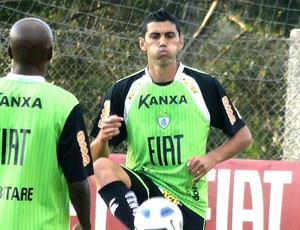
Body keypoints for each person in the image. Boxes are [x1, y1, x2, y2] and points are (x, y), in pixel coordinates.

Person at [90, 8, 252, 230]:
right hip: (145, 186)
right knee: (102, 166)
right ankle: (142, 226)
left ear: (180, 42)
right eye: (155, 36)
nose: (162, 42)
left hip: (187, 199)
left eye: (169, 36)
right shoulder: (123, 90)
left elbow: (243, 136)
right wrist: (102, 138)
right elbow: (96, 160)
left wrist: (212, 158)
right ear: (142, 43)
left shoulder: (204, 85)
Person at [0, 18, 93, 229]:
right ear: (50, 53)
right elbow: (77, 180)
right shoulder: (64, 104)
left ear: (9, 51)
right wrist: (85, 224)